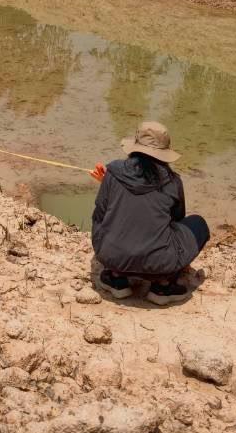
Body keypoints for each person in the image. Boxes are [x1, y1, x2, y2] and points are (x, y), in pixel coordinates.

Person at [90, 120, 210, 306]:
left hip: (112, 257)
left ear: (135, 147)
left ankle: (116, 278)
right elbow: (176, 219)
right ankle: (163, 285)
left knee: (105, 218)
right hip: (159, 265)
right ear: (163, 153)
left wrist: (109, 186)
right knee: (198, 224)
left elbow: (100, 213)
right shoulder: (173, 181)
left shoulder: (112, 172)